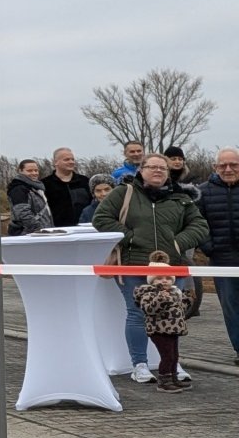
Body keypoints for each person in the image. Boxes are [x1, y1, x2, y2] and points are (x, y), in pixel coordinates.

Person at [93, 154, 209, 384]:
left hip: (172, 266)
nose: (158, 171)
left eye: (162, 168)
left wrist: (178, 243)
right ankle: (140, 364)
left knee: (173, 313)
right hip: (134, 264)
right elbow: (101, 218)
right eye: (152, 167)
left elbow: (200, 225)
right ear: (141, 170)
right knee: (137, 314)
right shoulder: (124, 192)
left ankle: (172, 364)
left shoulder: (181, 198)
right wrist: (130, 237)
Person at [196, 148, 239, 362]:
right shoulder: (203, 192)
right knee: (231, 307)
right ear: (215, 167)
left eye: (234, 165)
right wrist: (209, 247)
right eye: (223, 165)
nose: (228, 169)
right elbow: (196, 223)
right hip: (222, 259)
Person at [133, 251, 192, 394]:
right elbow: (149, 309)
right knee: (167, 356)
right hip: (159, 330)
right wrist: (160, 298)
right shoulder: (148, 293)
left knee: (174, 356)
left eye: (167, 278)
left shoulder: (174, 292)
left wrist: (188, 300)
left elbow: (180, 310)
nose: (164, 281)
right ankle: (164, 381)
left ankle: (173, 378)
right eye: (159, 278)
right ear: (152, 280)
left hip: (173, 330)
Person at [162, 146, 206, 317]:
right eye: (173, 158)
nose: (177, 162)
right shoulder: (158, 181)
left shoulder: (191, 181)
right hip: (164, 232)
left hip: (185, 233)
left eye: (180, 159)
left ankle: (190, 301)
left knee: (185, 265)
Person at [42, 147, 88, 228]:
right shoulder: (45, 184)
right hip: (57, 230)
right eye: (66, 160)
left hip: (84, 228)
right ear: (55, 162)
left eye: (72, 159)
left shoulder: (85, 181)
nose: (71, 162)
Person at [6, 159, 54, 235]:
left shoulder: (36, 188)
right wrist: (38, 229)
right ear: (20, 171)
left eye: (36, 170)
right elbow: (22, 213)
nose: (34, 173)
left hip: (40, 232)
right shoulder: (18, 189)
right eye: (29, 171)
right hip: (28, 234)